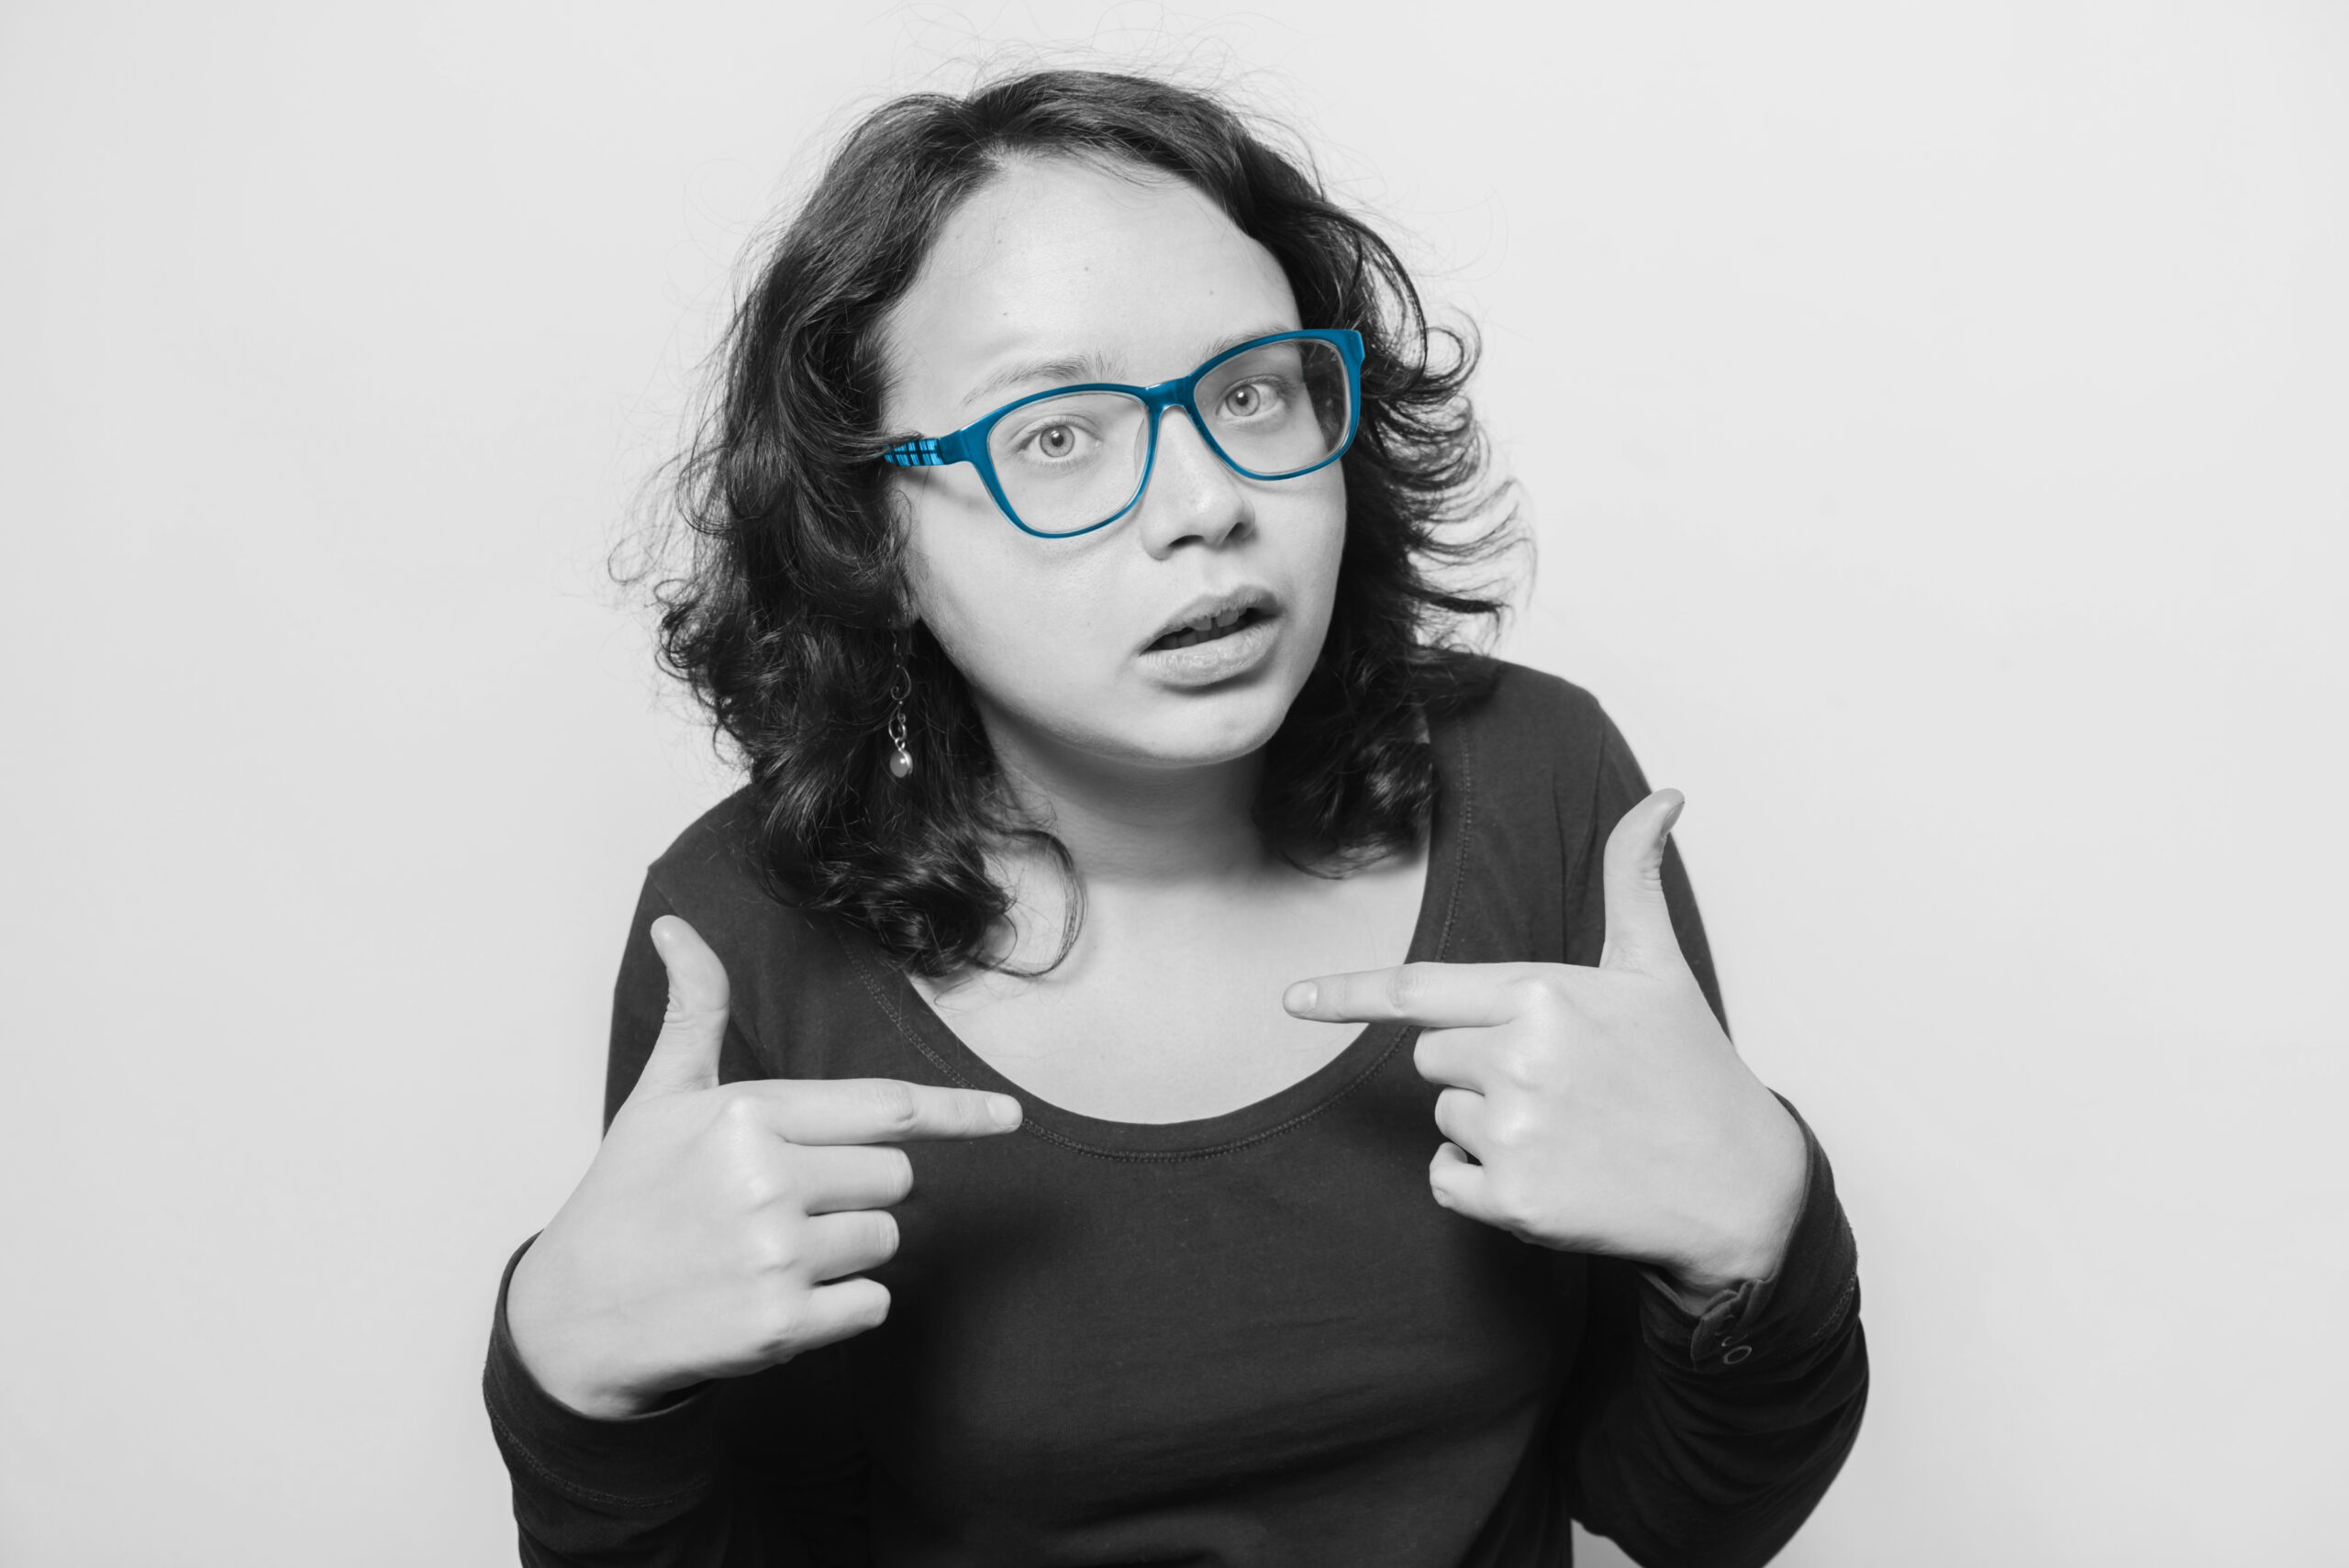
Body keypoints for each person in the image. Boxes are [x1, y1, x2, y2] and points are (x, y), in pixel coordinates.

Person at [483, 68, 1867, 1568]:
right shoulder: (741, 938)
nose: (1206, 501)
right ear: (870, 527)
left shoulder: (1542, 782)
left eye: (1252, 390)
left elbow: (1684, 1513)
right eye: (1055, 433)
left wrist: (1762, 1232)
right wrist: (574, 1391)